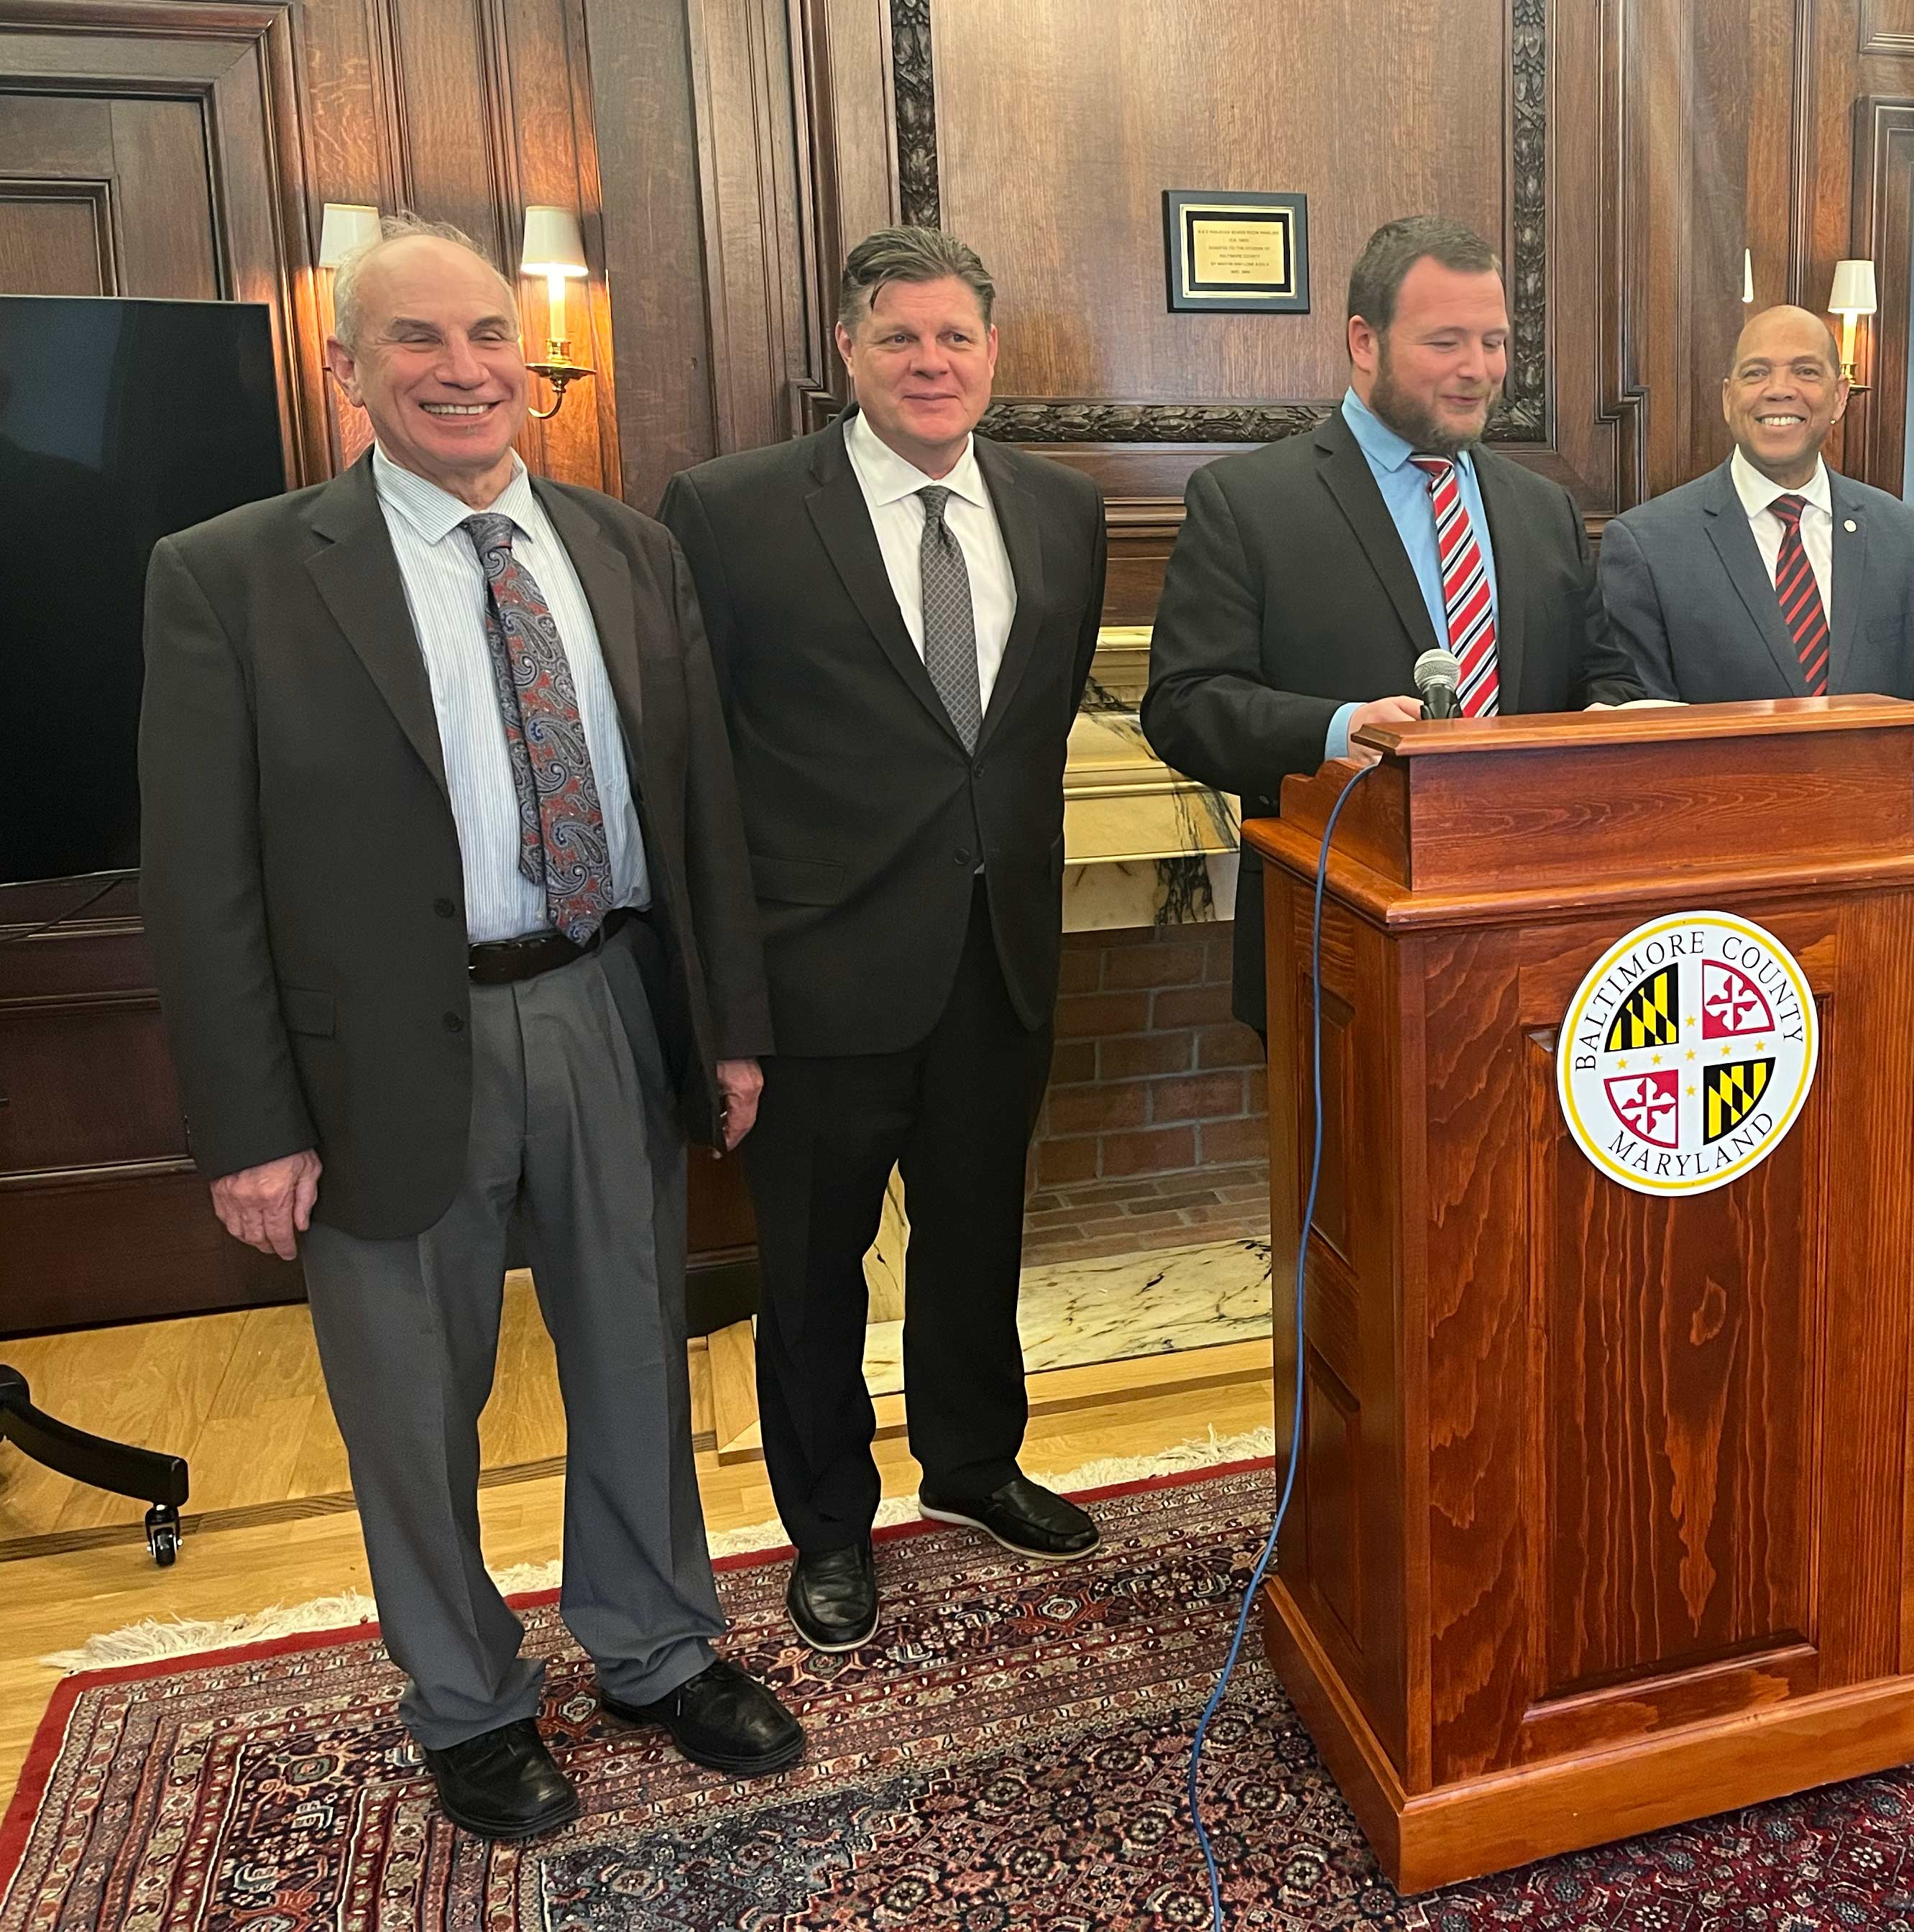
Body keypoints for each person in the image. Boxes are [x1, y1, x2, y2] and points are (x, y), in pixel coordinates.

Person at [139, 216, 800, 1841]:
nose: (463, 369)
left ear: (534, 358)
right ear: (346, 369)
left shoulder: (628, 550)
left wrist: (728, 1028)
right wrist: (249, 1123)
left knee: (639, 1357)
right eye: (418, 341)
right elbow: (199, 878)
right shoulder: (229, 575)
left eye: (489, 336)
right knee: (408, 1400)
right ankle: (468, 1701)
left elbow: (698, 814)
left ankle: (653, 1646)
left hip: (605, 1010)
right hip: (373, 1061)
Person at [660, 226, 1109, 1652]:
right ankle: (832, 1527)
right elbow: (697, 770)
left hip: (997, 957)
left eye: (956, 338)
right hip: (816, 970)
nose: (931, 362)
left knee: (978, 1238)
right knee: (811, 1269)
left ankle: (972, 1465)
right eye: (900, 337)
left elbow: (1016, 748)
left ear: (992, 353)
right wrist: (722, 998)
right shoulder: (729, 514)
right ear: (847, 350)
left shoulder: (1061, 512)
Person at [1142, 214, 1641, 1032]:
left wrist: (1607, 723)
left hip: (1541, 942)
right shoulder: (1249, 503)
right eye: (1446, 342)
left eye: (1494, 342)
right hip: (1338, 951)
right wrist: (1344, 730)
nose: (1479, 370)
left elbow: (1601, 673)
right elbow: (1184, 706)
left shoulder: (1542, 508)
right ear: (1364, 341)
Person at [1597, 303, 1914, 815]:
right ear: (1729, 398)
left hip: (1876, 853)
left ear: (1839, 397)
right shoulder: (1647, 545)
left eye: (1806, 371)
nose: (1780, 389)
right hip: (1720, 857)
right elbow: (1645, 726)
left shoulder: (1908, 538)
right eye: (1756, 372)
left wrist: (1883, 798)